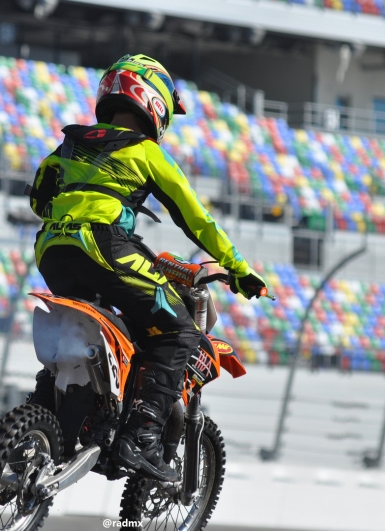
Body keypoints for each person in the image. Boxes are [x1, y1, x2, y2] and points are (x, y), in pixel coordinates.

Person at [25, 54, 267, 482]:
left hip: (52, 249)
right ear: (154, 101)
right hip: (105, 245)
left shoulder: (67, 147)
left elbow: (39, 199)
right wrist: (239, 268)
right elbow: (196, 219)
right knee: (179, 331)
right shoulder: (146, 151)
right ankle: (141, 435)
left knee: (101, 327)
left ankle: (47, 412)